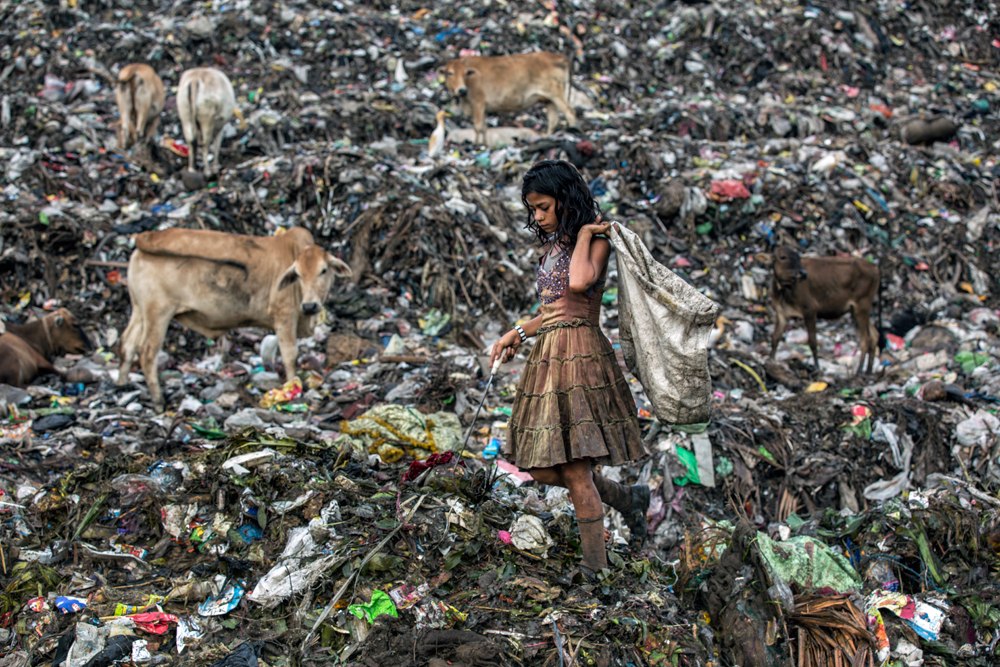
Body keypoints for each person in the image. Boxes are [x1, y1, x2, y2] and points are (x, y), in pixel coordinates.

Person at [490, 159, 650, 577]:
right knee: (541, 465)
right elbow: (553, 309)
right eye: (533, 209)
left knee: (576, 467)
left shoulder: (595, 235)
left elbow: (580, 285)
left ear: (565, 199)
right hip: (549, 354)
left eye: (543, 207)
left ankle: (594, 568)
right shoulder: (555, 245)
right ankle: (628, 499)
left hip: (580, 355)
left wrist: (581, 234)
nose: (538, 216)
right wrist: (517, 333)